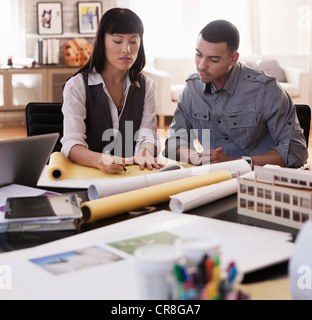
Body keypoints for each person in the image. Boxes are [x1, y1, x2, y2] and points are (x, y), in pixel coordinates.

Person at [164, 19, 308, 169]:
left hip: (259, 180)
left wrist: (236, 164)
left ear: (233, 59)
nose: (201, 66)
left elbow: (296, 151)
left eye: (213, 59)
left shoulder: (266, 89)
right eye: (199, 55)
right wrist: (196, 157)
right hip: (214, 179)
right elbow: (174, 140)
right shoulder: (192, 89)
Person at [61, 8, 162, 174]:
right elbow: (72, 144)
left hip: (131, 174)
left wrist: (145, 154)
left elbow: (148, 134)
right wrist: (101, 161)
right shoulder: (77, 85)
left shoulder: (147, 86)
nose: (126, 49)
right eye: (117, 41)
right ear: (102, 42)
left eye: (133, 41)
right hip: (89, 175)